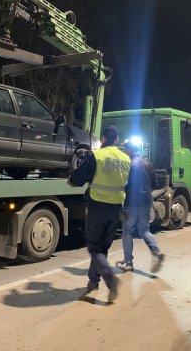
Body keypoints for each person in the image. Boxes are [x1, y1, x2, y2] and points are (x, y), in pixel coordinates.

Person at [68, 125, 131, 303]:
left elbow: (77, 179)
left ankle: (110, 279)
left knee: (94, 247)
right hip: (115, 209)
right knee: (102, 248)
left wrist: (71, 179)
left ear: (103, 138)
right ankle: (93, 282)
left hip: (97, 208)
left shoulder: (96, 155)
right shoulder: (126, 159)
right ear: (117, 139)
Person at [115, 141, 165, 274]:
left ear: (129, 151)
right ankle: (156, 252)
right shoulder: (148, 164)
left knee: (127, 231)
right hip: (146, 202)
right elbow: (154, 183)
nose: (124, 152)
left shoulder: (128, 164)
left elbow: (123, 184)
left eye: (125, 150)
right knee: (144, 230)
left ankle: (128, 261)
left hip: (132, 203)